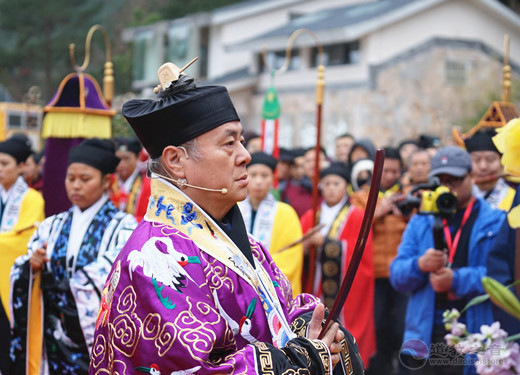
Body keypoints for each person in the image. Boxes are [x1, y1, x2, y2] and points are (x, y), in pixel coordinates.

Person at [89, 67, 364, 374]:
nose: (245, 155)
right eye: (229, 143)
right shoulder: (154, 260)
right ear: (176, 161)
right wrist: (304, 358)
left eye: (241, 141)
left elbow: (282, 310)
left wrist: (314, 327)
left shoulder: (243, 244)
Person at [9, 138, 138, 374]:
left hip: (96, 338)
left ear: (107, 181)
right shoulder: (52, 225)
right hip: (53, 336)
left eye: (85, 179)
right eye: (71, 178)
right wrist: (32, 265)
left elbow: (121, 275)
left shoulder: (125, 227)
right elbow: (23, 268)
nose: (75, 186)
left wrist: (68, 288)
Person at [390, 146, 506, 374]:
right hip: (423, 335)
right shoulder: (420, 221)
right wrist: (419, 265)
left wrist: (456, 280)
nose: (448, 186)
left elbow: (502, 277)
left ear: (471, 177)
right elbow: (397, 275)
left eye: (454, 179)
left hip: (474, 332)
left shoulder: (495, 220)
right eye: (441, 181)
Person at [300, 162, 376, 368]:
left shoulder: (357, 215)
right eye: (327, 183)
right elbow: (298, 250)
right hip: (315, 285)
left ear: (345, 187)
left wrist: (326, 243)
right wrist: (305, 247)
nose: (332, 187)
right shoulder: (311, 215)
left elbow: (362, 254)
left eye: (337, 183)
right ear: (321, 187)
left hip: (345, 291)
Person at [0, 135, 44, 375]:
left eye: (4, 163)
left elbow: (25, 240)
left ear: (20, 166)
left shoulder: (32, 198)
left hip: (11, 279)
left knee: (10, 335)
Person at [238, 151, 304, 295]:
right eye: (253, 175)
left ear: (273, 178)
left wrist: (257, 268)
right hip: (238, 283)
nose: (258, 181)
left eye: (264, 175)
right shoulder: (232, 208)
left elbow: (291, 257)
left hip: (272, 289)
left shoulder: (286, 213)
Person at [464, 128, 515, 211]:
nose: (483, 166)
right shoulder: (461, 199)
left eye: (490, 159)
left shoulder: (515, 199)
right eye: (476, 160)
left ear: (502, 163)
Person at [111, 136, 147, 217]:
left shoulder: (148, 185)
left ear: (138, 157)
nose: (121, 163)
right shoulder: (108, 182)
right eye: (118, 158)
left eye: (126, 158)